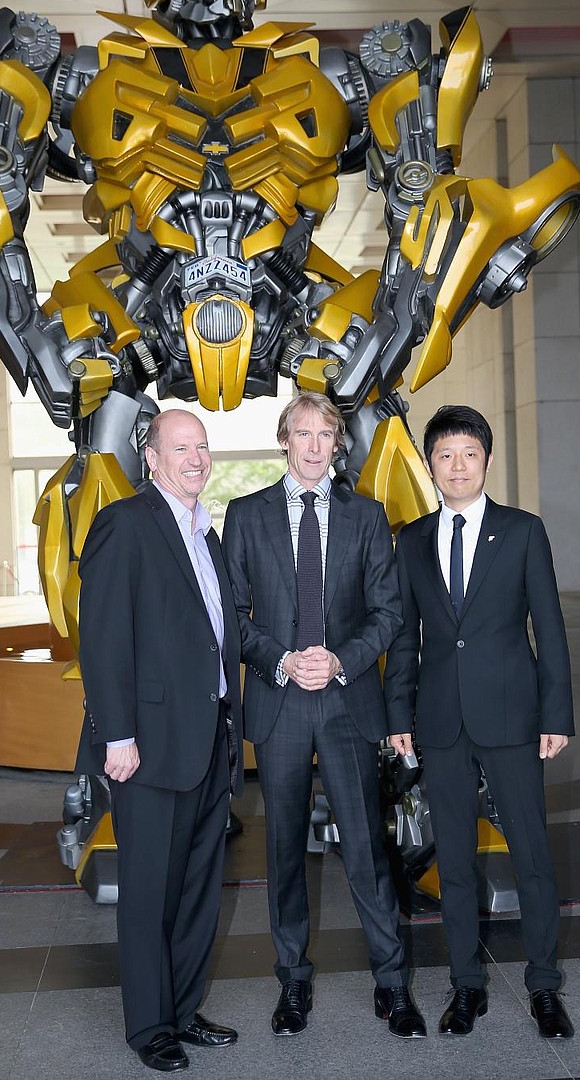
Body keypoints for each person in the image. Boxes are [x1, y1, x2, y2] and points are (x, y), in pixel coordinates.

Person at [222, 391, 426, 1039]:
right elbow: (233, 615)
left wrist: (338, 661)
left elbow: (388, 612)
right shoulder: (246, 515)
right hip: (280, 702)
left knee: (366, 850)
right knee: (282, 851)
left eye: (326, 435)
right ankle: (291, 985)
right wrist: (283, 660)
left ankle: (392, 985)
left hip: (345, 700)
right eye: (302, 433)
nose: (314, 446)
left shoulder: (367, 516)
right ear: (284, 440)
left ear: (338, 443)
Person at [386, 404, 575, 1040]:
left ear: (486, 462)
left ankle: (544, 986)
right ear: (431, 465)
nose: (457, 465)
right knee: (456, 863)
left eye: (469, 454)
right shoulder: (411, 540)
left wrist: (556, 714)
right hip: (439, 722)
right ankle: (466, 987)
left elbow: (548, 627)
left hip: (513, 717)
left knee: (531, 855)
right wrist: (398, 714)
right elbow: (406, 638)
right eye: (445, 455)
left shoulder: (522, 532)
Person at [76, 408, 243, 1073]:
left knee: (200, 887)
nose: (195, 457)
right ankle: (150, 1027)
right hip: (145, 748)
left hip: (207, 742)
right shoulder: (127, 523)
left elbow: (213, 635)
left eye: (202, 446)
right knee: (149, 893)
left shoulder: (209, 533)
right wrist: (117, 735)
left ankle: (182, 1009)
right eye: (180, 447)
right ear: (151, 457)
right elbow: (104, 638)